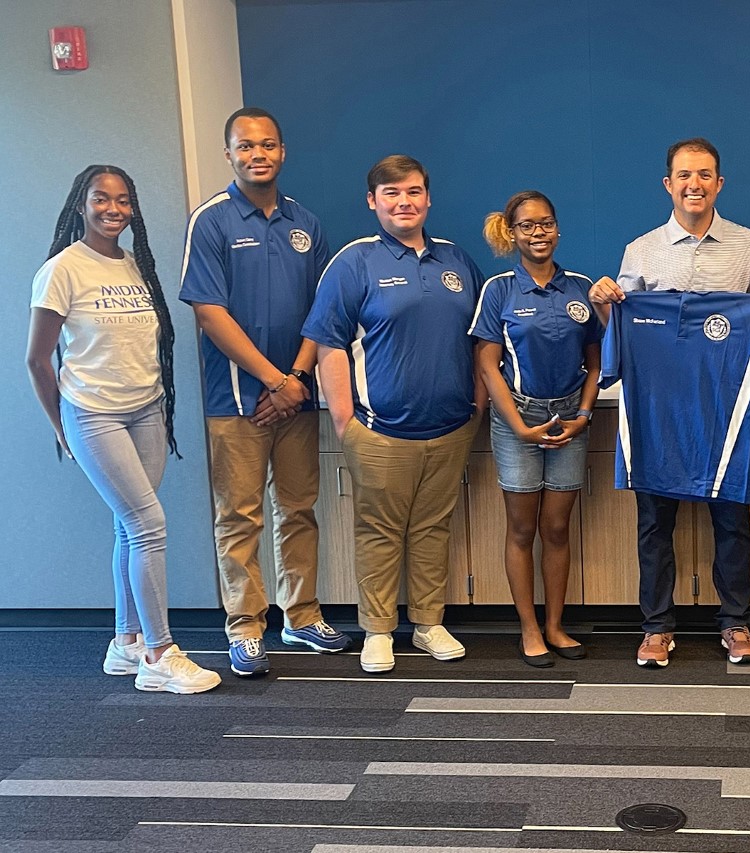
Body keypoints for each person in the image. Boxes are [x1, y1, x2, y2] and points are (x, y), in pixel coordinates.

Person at [26, 165, 220, 694]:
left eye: (123, 200)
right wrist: (61, 427)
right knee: (148, 524)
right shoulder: (63, 269)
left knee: (128, 527)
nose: (113, 209)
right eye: (100, 199)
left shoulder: (137, 267)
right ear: (80, 204)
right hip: (94, 414)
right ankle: (159, 654)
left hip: (146, 410)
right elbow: (38, 361)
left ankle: (126, 642)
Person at [589, 137, 750, 668]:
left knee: (733, 520)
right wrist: (606, 306)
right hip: (657, 412)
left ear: (719, 183)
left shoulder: (748, 246)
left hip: (723, 414)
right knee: (654, 523)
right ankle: (656, 627)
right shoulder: (640, 251)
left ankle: (736, 624)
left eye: (705, 174)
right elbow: (618, 329)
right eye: (684, 175)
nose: (695, 184)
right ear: (669, 183)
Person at [179, 107, 351, 677]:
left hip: (296, 397)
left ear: (283, 152)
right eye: (246, 146)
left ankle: (301, 618)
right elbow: (209, 313)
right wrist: (275, 381)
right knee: (240, 516)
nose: (259, 154)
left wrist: (296, 380)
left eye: (269, 145)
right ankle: (246, 627)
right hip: (236, 401)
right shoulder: (211, 220)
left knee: (299, 509)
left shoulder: (307, 223)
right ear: (228, 153)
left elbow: (323, 313)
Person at [303, 154, 485, 674]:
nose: (403, 202)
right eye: (391, 194)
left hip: (451, 428)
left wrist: (476, 405)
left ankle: (428, 623)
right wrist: (345, 422)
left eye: (412, 192)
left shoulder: (456, 261)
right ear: (373, 202)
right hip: (380, 431)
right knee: (379, 532)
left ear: (428, 198)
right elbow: (328, 344)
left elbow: (480, 339)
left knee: (433, 528)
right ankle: (378, 630)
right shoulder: (355, 262)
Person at [471, 191, 602, 667]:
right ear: (513, 233)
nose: (538, 232)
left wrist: (583, 416)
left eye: (546, 223)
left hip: (571, 418)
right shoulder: (500, 290)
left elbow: (595, 361)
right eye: (527, 225)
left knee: (557, 526)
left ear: (557, 229)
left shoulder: (581, 288)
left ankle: (554, 625)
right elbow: (486, 363)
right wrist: (519, 428)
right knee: (523, 528)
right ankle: (529, 628)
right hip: (517, 422)